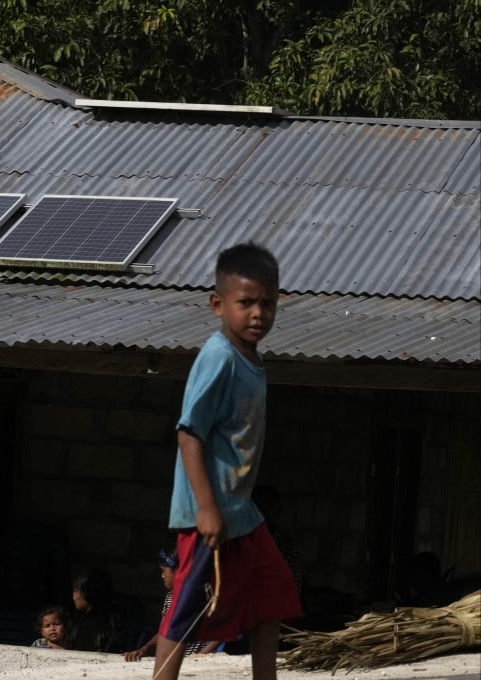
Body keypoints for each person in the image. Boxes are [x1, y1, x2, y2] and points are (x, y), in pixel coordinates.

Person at [152, 242, 301, 680]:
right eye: (246, 303)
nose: (258, 314)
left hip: (241, 513)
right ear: (218, 304)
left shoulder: (253, 360)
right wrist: (205, 507)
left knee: (273, 590)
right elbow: (189, 432)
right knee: (187, 606)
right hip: (211, 512)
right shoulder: (219, 357)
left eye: (268, 303)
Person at [124, 547, 218, 660]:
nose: (162, 576)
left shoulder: (204, 596)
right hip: (174, 661)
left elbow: (223, 630)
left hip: (197, 663)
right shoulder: (170, 598)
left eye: (164, 571)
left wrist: (201, 655)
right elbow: (162, 633)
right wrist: (144, 649)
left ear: (179, 571)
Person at [251, 485, 303, 600]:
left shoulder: (286, 545)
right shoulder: (240, 543)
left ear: (278, 511)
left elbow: (293, 588)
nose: (263, 513)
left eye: (269, 507)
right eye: (259, 508)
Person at [65, 567, 123, 652]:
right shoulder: (82, 618)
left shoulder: (92, 625)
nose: (73, 596)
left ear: (85, 593)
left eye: (75, 590)